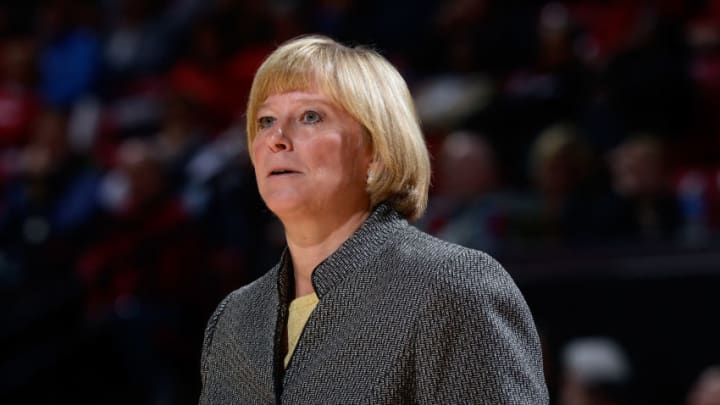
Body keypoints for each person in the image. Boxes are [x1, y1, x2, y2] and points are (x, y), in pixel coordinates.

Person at [198, 35, 548, 404]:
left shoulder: (453, 286)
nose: (277, 139)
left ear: (377, 152)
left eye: (310, 117)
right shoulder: (232, 321)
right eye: (265, 120)